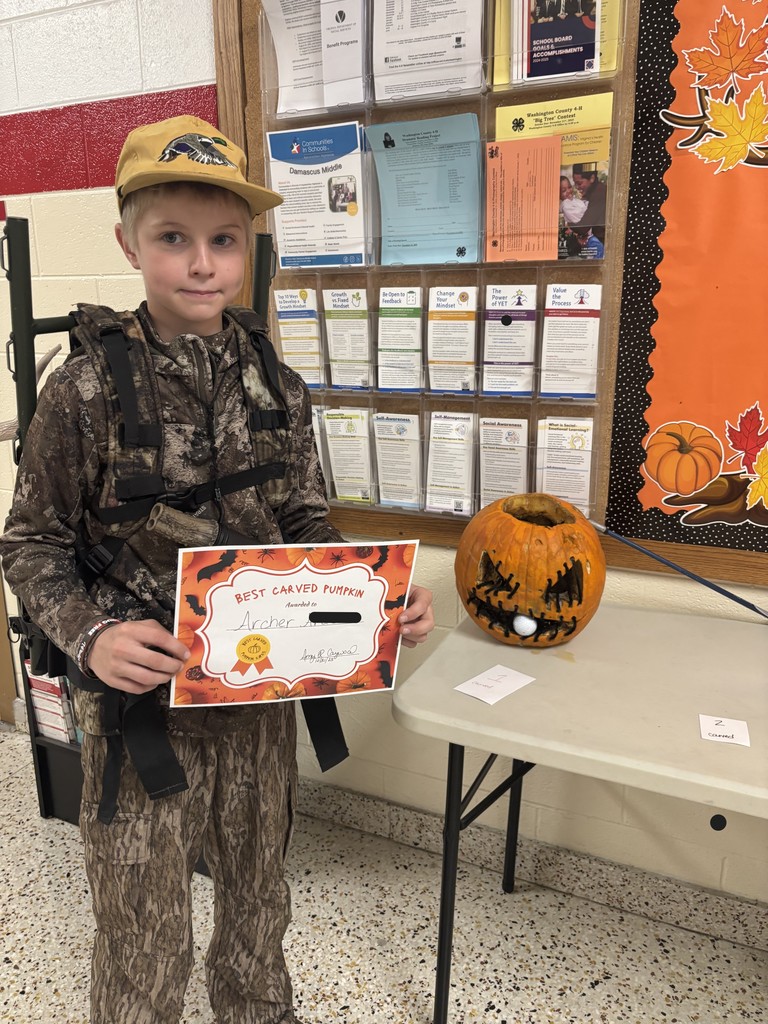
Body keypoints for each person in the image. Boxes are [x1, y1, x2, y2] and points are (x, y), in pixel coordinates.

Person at [0, 114, 435, 1024]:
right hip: (137, 707)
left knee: (257, 900)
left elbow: (305, 523)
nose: (203, 264)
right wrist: (92, 634)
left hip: (255, 699)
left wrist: (374, 600)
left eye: (224, 241)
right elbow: (30, 543)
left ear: (248, 248)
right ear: (129, 243)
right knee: (143, 925)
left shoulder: (277, 380)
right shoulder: (81, 389)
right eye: (174, 240)